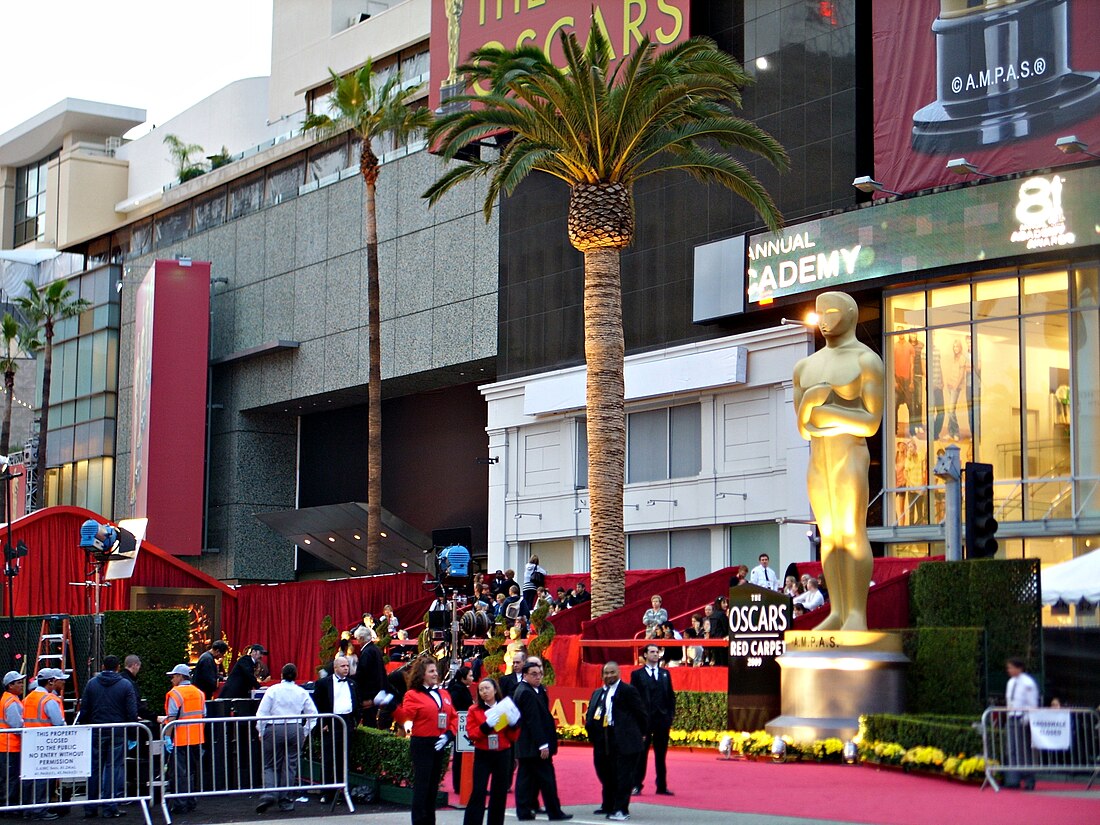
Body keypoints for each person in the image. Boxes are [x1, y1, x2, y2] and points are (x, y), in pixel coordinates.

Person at [793, 291, 884, 631]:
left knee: (851, 531)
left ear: (850, 313)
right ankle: (838, 611)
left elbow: (870, 422)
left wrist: (824, 408)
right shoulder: (805, 366)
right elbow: (803, 427)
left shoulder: (866, 360)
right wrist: (815, 402)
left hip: (849, 456)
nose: (825, 318)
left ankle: (856, 613)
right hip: (819, 460)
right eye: (819, 312)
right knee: (828, 535)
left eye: (832, 311)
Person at [394, 657, 458, 825]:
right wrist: (391, 705)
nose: (435, 674)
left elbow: (454, 717)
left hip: (440, 743)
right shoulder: (413, 695)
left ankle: (430, 821)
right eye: (431, 671)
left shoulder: (444, 693)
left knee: (432, 788)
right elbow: (405, 716)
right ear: (422, 675)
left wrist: (448, 735)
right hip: (422, 744)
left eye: (435, 670)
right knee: (422, 787)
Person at [512, 657, 572, 822]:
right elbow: (533, 721)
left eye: (539, 674)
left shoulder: (533, 689)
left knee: (525, 779)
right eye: (534, 674)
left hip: (528, 746)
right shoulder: (526, 692)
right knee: (546, 780)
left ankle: (524, 811)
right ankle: (554, 811)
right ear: (525, 675)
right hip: (533, 746)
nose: (538, 677)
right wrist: (543, 745)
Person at [585, 662, 646, 821]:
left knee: (623, 776)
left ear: (618, 672)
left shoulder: (628, 691)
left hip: (625, 740)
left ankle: (621, 810)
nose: (609, 676)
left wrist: (643, 733)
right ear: (602, 676)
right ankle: (608, 804)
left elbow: (641, 713)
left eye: (612, 672)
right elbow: (591, 714)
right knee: (605, 773)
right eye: (606, 673)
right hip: (604, 739)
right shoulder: (598, 692)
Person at [79, 655, 138, 819]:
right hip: (117, 730)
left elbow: (85, 709)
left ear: (103, 666)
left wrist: (85, 725)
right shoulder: (125, 685)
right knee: (113, 768)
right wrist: (132, 730)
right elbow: (132, 712)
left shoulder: (92, 684)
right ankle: (110, 806)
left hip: (97, 729)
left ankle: (90, 807)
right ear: (118, 667)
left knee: (94, 768)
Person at [255, 663, 318, 814]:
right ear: (296, 676)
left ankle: (270, 792)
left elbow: (262, 713)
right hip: (294, 727)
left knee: (270, 764)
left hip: (274, 727)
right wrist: (305, 731)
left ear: (282, 675)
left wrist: (261, 730)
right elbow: (313, 714)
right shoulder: (301, 692)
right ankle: (286, 800)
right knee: (291, 764)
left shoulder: (273, 690)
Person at [463, 678, 519, 825]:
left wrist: (514, 724)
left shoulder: (504, 707)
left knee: (499, 793)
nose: (484, 692)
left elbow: (513, 737)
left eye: (487, 688)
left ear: (495, 689)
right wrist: (485, 726)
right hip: (483, 754)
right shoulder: (474, 710)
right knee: (478, 791)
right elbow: (471, 734)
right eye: (481, 690)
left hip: (502, 754)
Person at [158, 664, 206, 814]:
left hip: (180, 739)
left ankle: (180, 803)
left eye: (173, 676)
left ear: (180, 676)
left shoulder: (175, 694)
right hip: (196, 738)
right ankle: (191, 800)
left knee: (179, 773)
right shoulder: (199, 693)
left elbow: (172, 718)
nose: (172, 679)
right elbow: (203, 715)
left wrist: (167, 738)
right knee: (192, 771)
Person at [312, 655, 360, 800]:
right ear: (335, 668)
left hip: (347, 723)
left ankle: (341, 790)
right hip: (330, 723)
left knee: (343, 758)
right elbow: (317, 705)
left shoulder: (353, 684)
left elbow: (356, 702)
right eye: (343, 666)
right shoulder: (323, 684)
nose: (346, 668)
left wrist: (355, 721)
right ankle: (327, 792)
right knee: (328, 758)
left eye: (347, 666)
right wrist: (323, 723)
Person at [631, 643, 676, 797]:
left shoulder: (665, 674)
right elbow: (634, 698)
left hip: (662, 720)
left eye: (657, 652)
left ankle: (662, 786)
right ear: (645, 655)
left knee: (661, 755)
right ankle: (636, 785)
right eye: (651, 652)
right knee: (641, 754)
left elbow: (670, 696)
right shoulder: (637, 675)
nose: (655, 654)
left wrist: (670, 716)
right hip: (644, 721)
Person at [24, 668, 68, 821]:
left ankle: (29, 808)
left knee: (31, 777)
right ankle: (39, 809)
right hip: (45, 744)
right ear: (50, 681)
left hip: (30, 743)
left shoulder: (28, 698)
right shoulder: (48, 700)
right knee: (42, 777)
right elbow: (57, 723)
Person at [1003, 657, 1040, 791]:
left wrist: (1027, 719)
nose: (1009, 670)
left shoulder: (1028, 683)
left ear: (1019, 668)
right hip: (1012, 717)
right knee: (1011, 749)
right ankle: (1013, 779)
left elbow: (1032, 703)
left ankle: (1029, 780)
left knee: (1024, 751)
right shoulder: (1011, 682)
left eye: (1011, 667)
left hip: (1022, 718)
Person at [447, 667, 474, 795]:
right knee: (460, 756)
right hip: (460, 726)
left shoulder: (461, 689)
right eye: (470, 676)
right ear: (463, 678)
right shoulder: (458, 690)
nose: (472, 678)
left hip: (463, 725)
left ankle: (461, 784)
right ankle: (459, 784)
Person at [0, 672, 24, 808]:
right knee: (11, 778)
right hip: (10, 745)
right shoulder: (11, 701)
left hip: (7, 745)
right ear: (10, 685)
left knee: (9, 777)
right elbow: (16, 725)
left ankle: (8, 804)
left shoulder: (8, 698)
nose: (21, 685)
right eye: (19, 682)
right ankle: (9, 806)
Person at [355, 634, 388, 728]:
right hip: (377, 691)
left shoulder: (367, 652)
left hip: (369, 694)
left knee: (369, 722)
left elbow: (364, 674)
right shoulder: (375, 649)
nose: (357, 641)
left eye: (357, 639)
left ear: (361, 638)